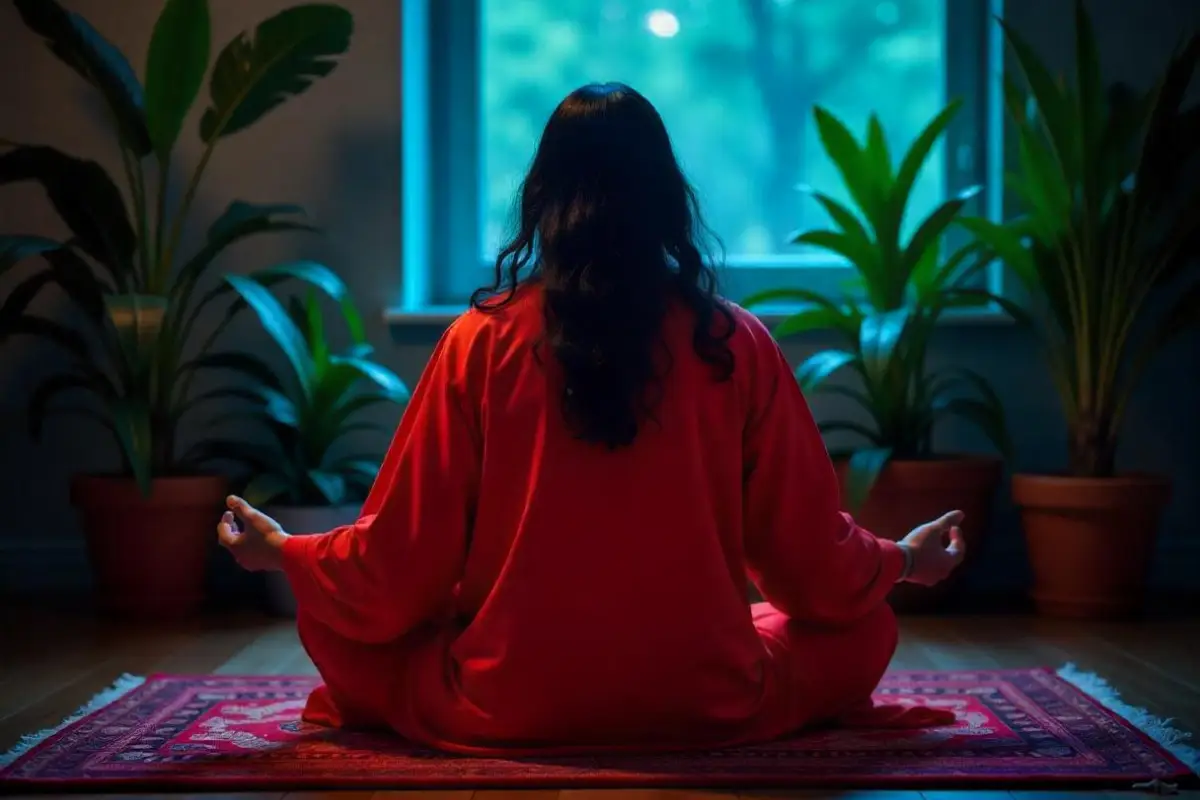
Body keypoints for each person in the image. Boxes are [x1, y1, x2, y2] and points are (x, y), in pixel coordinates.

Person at [217, 83, 965, 755]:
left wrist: (286, 555)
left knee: (330, 618)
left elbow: (399, 566)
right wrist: (903, 557)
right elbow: (812, 570)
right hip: (707, 700)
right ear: (668, 197)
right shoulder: (736, 342)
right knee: (866, 626)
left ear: (543, 195)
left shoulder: (480, 341)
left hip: (504, 699)